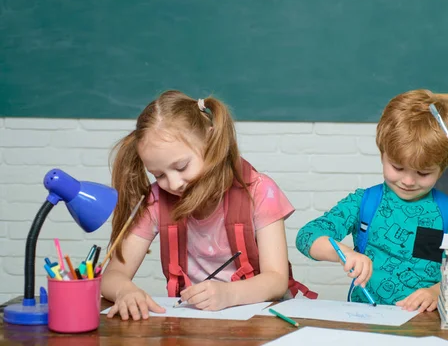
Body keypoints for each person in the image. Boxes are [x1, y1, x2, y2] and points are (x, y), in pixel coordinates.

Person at [102, 90, 311, 320]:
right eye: (158, 174)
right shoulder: (156, 200)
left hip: (261, 319)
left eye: (181, 167)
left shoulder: (260, 191)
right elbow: (113, 276)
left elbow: (276, 279)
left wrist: (229, 294)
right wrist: (126, 291)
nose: (172, 183)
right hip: (194, 323)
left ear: (211, 141)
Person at [296, 89, 448, 312]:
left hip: (425, 325)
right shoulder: (365, 202)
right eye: (397, 167)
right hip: (366, 320)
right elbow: (307, 236)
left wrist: (436, 292)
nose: (408, 181)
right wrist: (345, 253)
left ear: (442, 167)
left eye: (423, 173)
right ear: (382, 154)